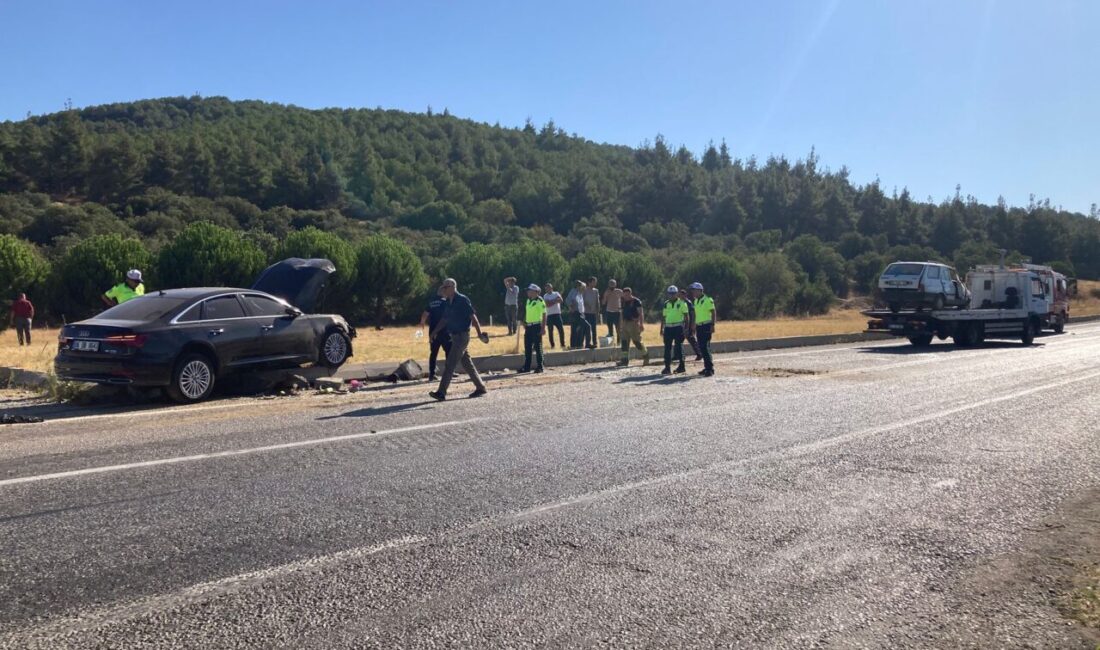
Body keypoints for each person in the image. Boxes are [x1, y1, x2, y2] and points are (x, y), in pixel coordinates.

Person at [429, 278, 489, 401]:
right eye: (443, 287)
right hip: (455, 337)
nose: (443, 289)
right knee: (467, 364)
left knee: (450, 364)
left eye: (446, 287)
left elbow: (473, 317)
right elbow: (444, 319)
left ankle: (441, 392)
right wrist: (434, 332)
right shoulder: (447, 302)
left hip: (462, 337)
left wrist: (479, 334)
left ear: (452, 287)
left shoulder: (462, 300)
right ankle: (481, 387)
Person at [418, 288, 452, 382]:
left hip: (432, 331)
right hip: (444, 331)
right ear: (443, 293)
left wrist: (422, 323)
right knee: (448, 352)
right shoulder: (445, 302)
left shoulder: (431, 302)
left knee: (433, 353)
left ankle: (432, 374)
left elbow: (425, 314)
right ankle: (449, 372)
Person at [660, 285, 690, 375]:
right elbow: (664, 317)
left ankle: (682, 366)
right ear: (668, 294)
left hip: (678, 327)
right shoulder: (666, 303)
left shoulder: (682, 303)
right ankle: (667, 367)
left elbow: (686, 316)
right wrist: (661, 328)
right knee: (667, 348)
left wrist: (686, 328)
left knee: (679, 347)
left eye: (673, 293)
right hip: (668, 328)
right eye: (670, 293)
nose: (672, 295)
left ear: (677, 293)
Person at [517, 284, 547, 373]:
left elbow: (544, 314)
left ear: (535, 291)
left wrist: (543, 328)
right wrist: (524, 321)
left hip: (537, 326)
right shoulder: (528, 301)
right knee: (527, 347)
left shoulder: (540, 301)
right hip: (529, 326)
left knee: (538, 347)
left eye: (529, 290)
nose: (527, 292)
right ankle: (526, 367)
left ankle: (540, 366)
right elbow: (527, 312)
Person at [616, 287, 649, 367]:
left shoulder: (636, 301)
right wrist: (620, 325)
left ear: (631, 293)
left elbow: (641, 313)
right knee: (624, 343)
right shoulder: (623, 301)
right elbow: (621, 313)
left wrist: (641, 324)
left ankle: (646, 356)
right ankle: (624, 360)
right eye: (625, 294)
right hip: (625, 324)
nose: (626, 296)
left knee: (637, 342)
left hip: (633, 323)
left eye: (628, 294)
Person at [690, 282, 716, 376]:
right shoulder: (695, 301)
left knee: (705, 347)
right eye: (692, 290)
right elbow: (696, 314)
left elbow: (713, 312)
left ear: (700, 290)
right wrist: (693, 325)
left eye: (694, 290)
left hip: (706, 325)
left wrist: (712, 324)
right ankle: (706, 367)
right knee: (702, 347)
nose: (693, 292)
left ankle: (710, 369)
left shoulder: (708, 300)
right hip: (699, 326)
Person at [566, 280, 591, 349]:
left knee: (579, 329)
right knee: (586, 327)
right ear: (579, 286)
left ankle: (578, 345)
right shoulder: (573, 291)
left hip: (581, 313)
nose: (584, 289)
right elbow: (568, 300)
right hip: (576, 313)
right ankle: (582, 344)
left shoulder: (580, 293)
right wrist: (571, 307)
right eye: (583, 287)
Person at [679, 288, 702, 360]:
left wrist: (692, 324)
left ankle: (699, 353)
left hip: (688, 324)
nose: (680, 296)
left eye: (682, 295)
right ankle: (680, 355)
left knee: (691, 339)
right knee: (679, 340)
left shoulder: (688, 303)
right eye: (680, 295)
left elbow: (693, 314)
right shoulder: (679, 303)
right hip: (682, 324)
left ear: (685, 295)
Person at [543, 283, 566, 349]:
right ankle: (552, 345)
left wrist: (551, 301)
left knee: (561, 330)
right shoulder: (545, 296)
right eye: (546, 288)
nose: (547, 289)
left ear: (551, 288)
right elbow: (547, 305)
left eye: (548, 288)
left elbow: (561, 300)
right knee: (550, 331)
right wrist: (555, 300)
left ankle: (562, 344)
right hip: (549, 315)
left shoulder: (556, 293)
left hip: (557, 314)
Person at [583, 276, 600, 349]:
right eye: (593, 282)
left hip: (593, 312)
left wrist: (598, 311)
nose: (595, 283)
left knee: (594, 328)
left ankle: (595, 342)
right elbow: (582, 300)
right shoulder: (584, 290)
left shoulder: (596, 291)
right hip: (586, 312)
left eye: (595, 282)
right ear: (589, 282)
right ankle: (587, 343)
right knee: (587, 328)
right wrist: (587, 305)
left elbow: (597, 301)